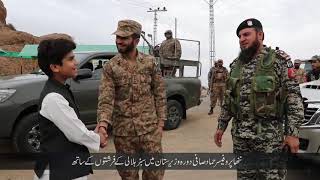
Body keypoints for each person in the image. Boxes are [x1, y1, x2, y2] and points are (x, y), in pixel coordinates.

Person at [213, 18, 304, 180]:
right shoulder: (235, 66)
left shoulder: (278, 61)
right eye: (240, 36)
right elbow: (229, 99)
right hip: (241, 139)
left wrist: (293, 133)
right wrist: (221, 125)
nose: (242, 39)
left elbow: (293, 98)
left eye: (246, 34)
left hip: (269, 139)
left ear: (260, 35)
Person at [97, 19, 166, 180]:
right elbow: (106, 99)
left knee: (155, 174)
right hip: (124, 134)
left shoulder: (149, 63)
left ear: (136, 40)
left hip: (150, 130)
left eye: (124, 38)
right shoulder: (111, 67)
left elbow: (160, 92)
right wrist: (102, 125)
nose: (119, 41)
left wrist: (161, 124)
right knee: (128, 176)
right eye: (117, 37)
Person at [34, 39, 107, 180]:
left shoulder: (60, 89)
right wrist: (98, 138)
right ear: (55, 67)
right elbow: (76, 133)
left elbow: (73, 126)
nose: (76, 63)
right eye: (71, 59)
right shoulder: (53, 97)